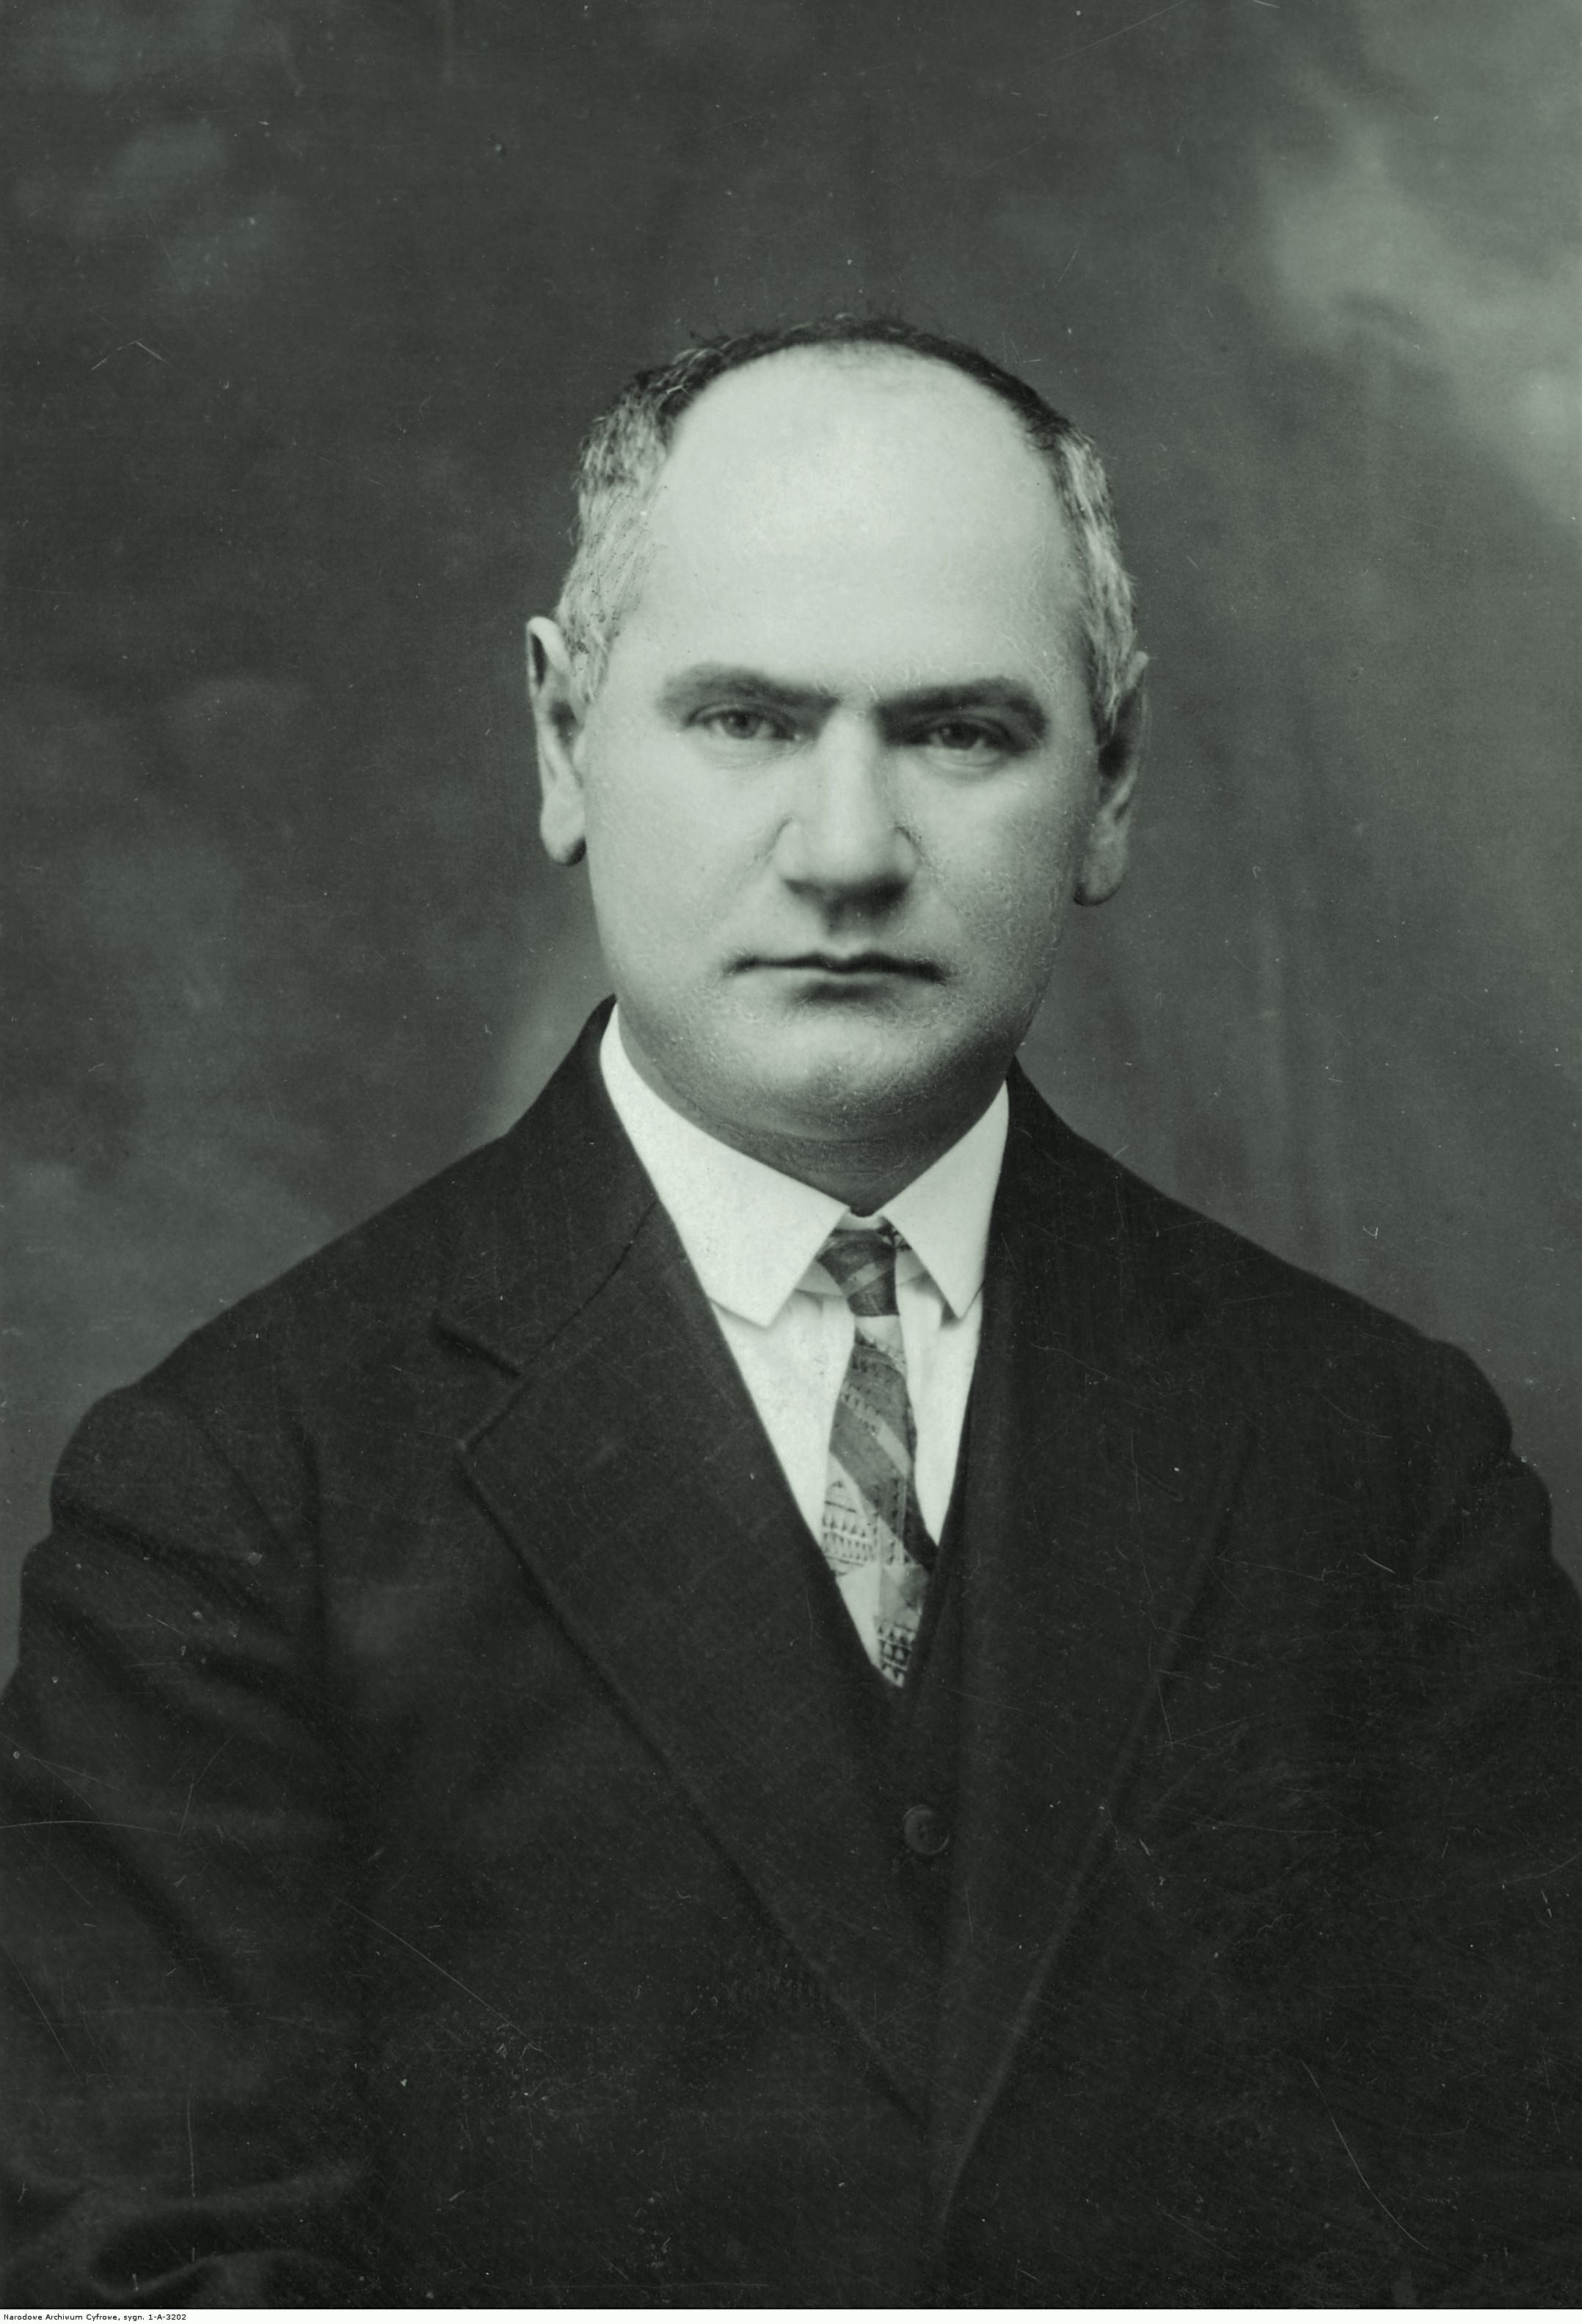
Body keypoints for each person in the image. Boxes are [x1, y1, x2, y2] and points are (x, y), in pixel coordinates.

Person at [3, 317, 1579, 2307]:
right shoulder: (231, 1490)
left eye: (960, 733)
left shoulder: (1388, 1461)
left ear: (1111, 782)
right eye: (746, 719)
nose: (846, 852)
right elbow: (149, 2278)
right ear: (563, 743)